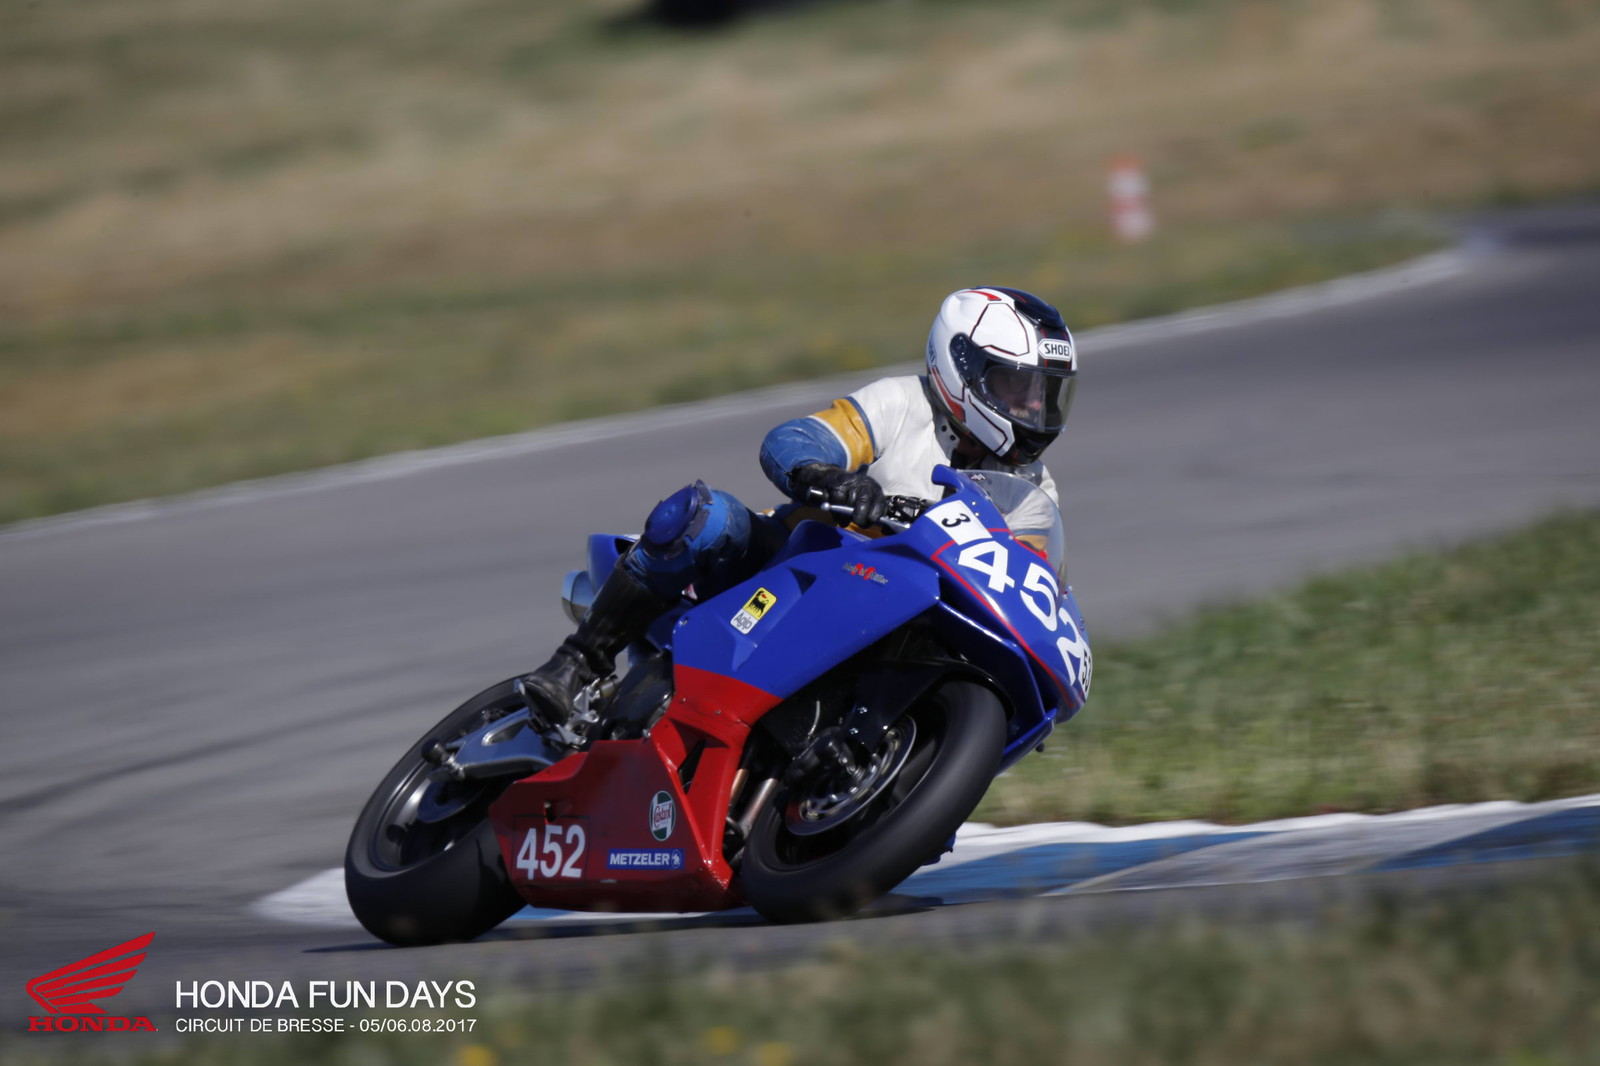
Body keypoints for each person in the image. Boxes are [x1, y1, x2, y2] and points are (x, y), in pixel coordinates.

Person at [517, 286, 1080, 732]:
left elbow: (1028, 586)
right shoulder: (902, 404)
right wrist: (830, 476)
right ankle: (576, 664)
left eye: (1045, 392)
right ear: (962, 370)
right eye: (1016, 387)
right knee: (705, 517)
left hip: (905, 618)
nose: (1034, 407)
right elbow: (796, 439)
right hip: (803, 562)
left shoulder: (1033, 492)